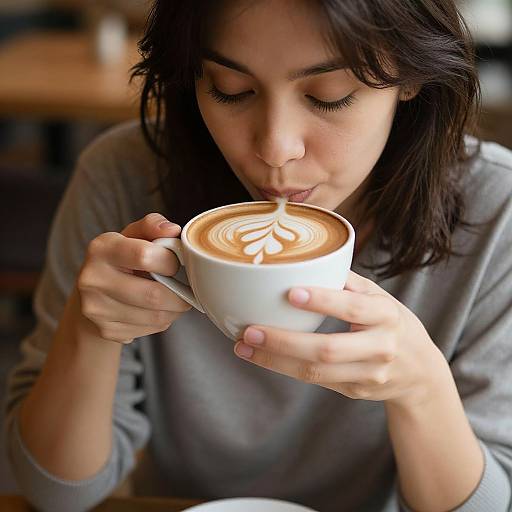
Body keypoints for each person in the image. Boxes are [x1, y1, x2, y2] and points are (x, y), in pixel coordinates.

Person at [4, 1, 512, 511]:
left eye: (329, 96)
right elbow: (55, 494)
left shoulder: (496, 212)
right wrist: (90, 333)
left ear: (410, 77)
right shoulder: (122, 180)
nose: (275, 148)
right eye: (231, 89)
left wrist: (421, 391)